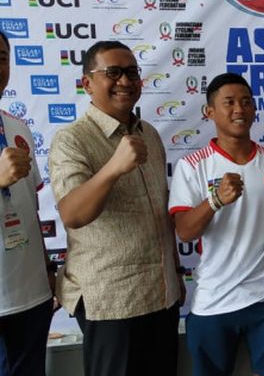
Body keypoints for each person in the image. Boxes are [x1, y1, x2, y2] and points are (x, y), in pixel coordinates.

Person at [48, 40, 182, 376]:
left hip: (161, 294)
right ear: (87, 83)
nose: (125, 80)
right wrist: (113, 166)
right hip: (111, 300)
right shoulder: (72, 139)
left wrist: (176, 274)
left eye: (132, 72)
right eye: (114, 72)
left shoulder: (149, 133)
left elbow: (160, 212)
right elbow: (73, 215)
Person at [168, 73, 264, 376]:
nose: (240, 109)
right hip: (215, 301)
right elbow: (184, 230)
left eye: (246, 102)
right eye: (229, 103)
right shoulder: (193, 165)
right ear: (209, 112)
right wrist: (215, 200)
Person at [0, 30, 54, 376]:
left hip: (32, 293)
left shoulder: (17, 126)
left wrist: (47, 269)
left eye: (2, 57)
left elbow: (31, 208)